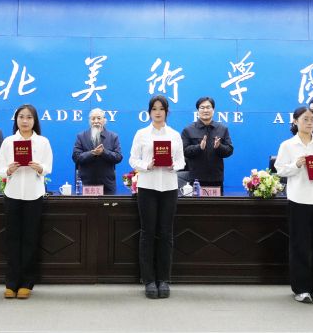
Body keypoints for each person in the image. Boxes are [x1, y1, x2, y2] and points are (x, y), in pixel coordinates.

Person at [275, 106, 313, 304]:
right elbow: (280, 170)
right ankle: (301, 289)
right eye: (305, 119)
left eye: (312, 119)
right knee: (300, 245)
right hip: (298, 199)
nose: (309, 123)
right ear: (295, 121)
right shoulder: (288, 145)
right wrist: (296, 165)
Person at [129, 95, 185, 299]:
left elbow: (181, 161)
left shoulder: (175, 135)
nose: (158, 112)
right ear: (149, 112)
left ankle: (164, 279)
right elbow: (132, 160)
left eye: (161, 109)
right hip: (147, 187)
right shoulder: (141, 134)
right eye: (154, 109)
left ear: (167, 112)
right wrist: (147, 165)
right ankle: (149, 280)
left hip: (169, 187)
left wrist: (173, 165)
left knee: (166, 233)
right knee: (148, 232)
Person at [0, 103, 53, 299]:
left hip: (34, 195)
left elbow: (48, 167)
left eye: (29, 117)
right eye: (21, 117)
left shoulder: (43, 142)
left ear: (35, 120)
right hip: (12, 194)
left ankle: (27, 283)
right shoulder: (8, 142)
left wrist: (39, 167)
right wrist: (9, 170)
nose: (25, 121)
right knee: (12, 239)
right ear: (16, 120)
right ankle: (11, 283)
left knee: (30, 238)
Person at [180, 96, 233, 192]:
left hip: (216, 179)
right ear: (198, 110)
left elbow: (229, 150)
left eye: (208, 107)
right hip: (196, 179)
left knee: (217, 202)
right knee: (195, 202)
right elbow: (184, 151)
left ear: (213, 110)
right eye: (202, 107)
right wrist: (199, 147)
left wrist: (219, 147)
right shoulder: (188, 130)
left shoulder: (222, 129)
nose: (205, 110)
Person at [71, 108, 123, 194]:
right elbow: (76, 157)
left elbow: (118, 157)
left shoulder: (113, 136)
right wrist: (92, 153)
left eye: (99, 118)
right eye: (93, 118)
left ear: (104, 120)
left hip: (107, 185)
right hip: (86, 185)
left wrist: (104, 152)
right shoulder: (81, 136)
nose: (96, 121)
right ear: (89, 121)